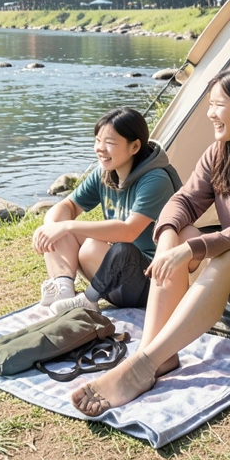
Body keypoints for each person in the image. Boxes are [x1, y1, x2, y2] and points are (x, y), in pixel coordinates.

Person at [70, 68, 230, 416]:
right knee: (183, 233)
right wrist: (167, 237)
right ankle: (157, 356)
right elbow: (183, 201)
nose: (210, 112)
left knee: (225, 256)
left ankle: (142, 365)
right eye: (209, 104)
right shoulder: (219, 153)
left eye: (219, 104)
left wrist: (191, 249)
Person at [32, 107, 180, 315]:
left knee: (111, 247)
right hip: (114, 275)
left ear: (135, 146)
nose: (100, 148)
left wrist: (66, 226)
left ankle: (88, 299)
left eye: (109, 143)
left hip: (149, 281)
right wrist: (51, 227)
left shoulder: (155, 179)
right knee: (59, 225)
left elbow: (129, 232)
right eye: (97, 140)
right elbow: (69, 206)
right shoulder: (104, 173)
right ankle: (64, 290)